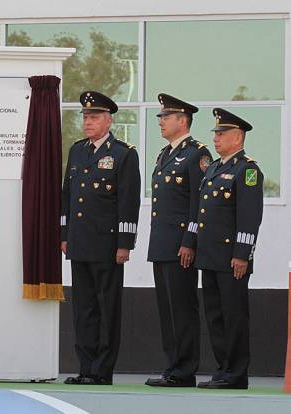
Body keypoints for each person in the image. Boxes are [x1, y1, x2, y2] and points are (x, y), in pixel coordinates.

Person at [61, 91, 141, 385]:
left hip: (107, 246)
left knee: (107, 308)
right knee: (84, 309)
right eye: (85, 117)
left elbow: (128, 202)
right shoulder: (78, 150)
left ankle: (102, 370)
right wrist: (64, 234)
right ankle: (85, 367)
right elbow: (67, 197)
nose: (87, 122)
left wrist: (124, 244)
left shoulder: (123, 154)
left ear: (108, 120)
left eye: (94, 117)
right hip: (79, 244)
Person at [145, 94, 212, 387]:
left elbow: (200, 204)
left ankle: (184, 370)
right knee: (167, 310)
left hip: (180, 246)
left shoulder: (197, 154)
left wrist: (189, 241)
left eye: (165, 117)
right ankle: (172, 367)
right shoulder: (164, 154)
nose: (160, 121)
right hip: (162, 243)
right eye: (160, 116)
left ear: (182, 120)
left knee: (183, 309)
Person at [195, 108, 263, 390]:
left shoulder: (247, 170)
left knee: (233, 316)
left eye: (222, 134)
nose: (216, 139)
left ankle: (237, 373)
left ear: (238, 136)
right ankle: (223, 369)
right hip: (209, 256)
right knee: (215, 316)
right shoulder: (214, 168)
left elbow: (249, 215)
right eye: (216, 134)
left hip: (231, 258)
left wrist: (241, 253)